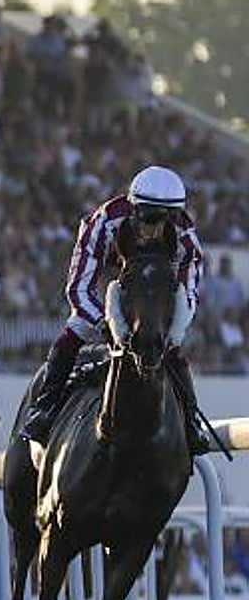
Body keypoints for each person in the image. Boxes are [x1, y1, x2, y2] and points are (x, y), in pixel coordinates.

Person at [20, 165, 208, 453]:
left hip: (151, 287)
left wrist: (170, 330)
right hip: (112, 278)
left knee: (170, 346)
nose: (157, 229)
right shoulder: (103, 223)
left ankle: (191, 420)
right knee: (75, 329)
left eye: (167, 218)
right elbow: (78, 289)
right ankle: (43, 408)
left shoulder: (184, 234)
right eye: (150, 218)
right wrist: (107, 325)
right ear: (134, 210)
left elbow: (188, 294)